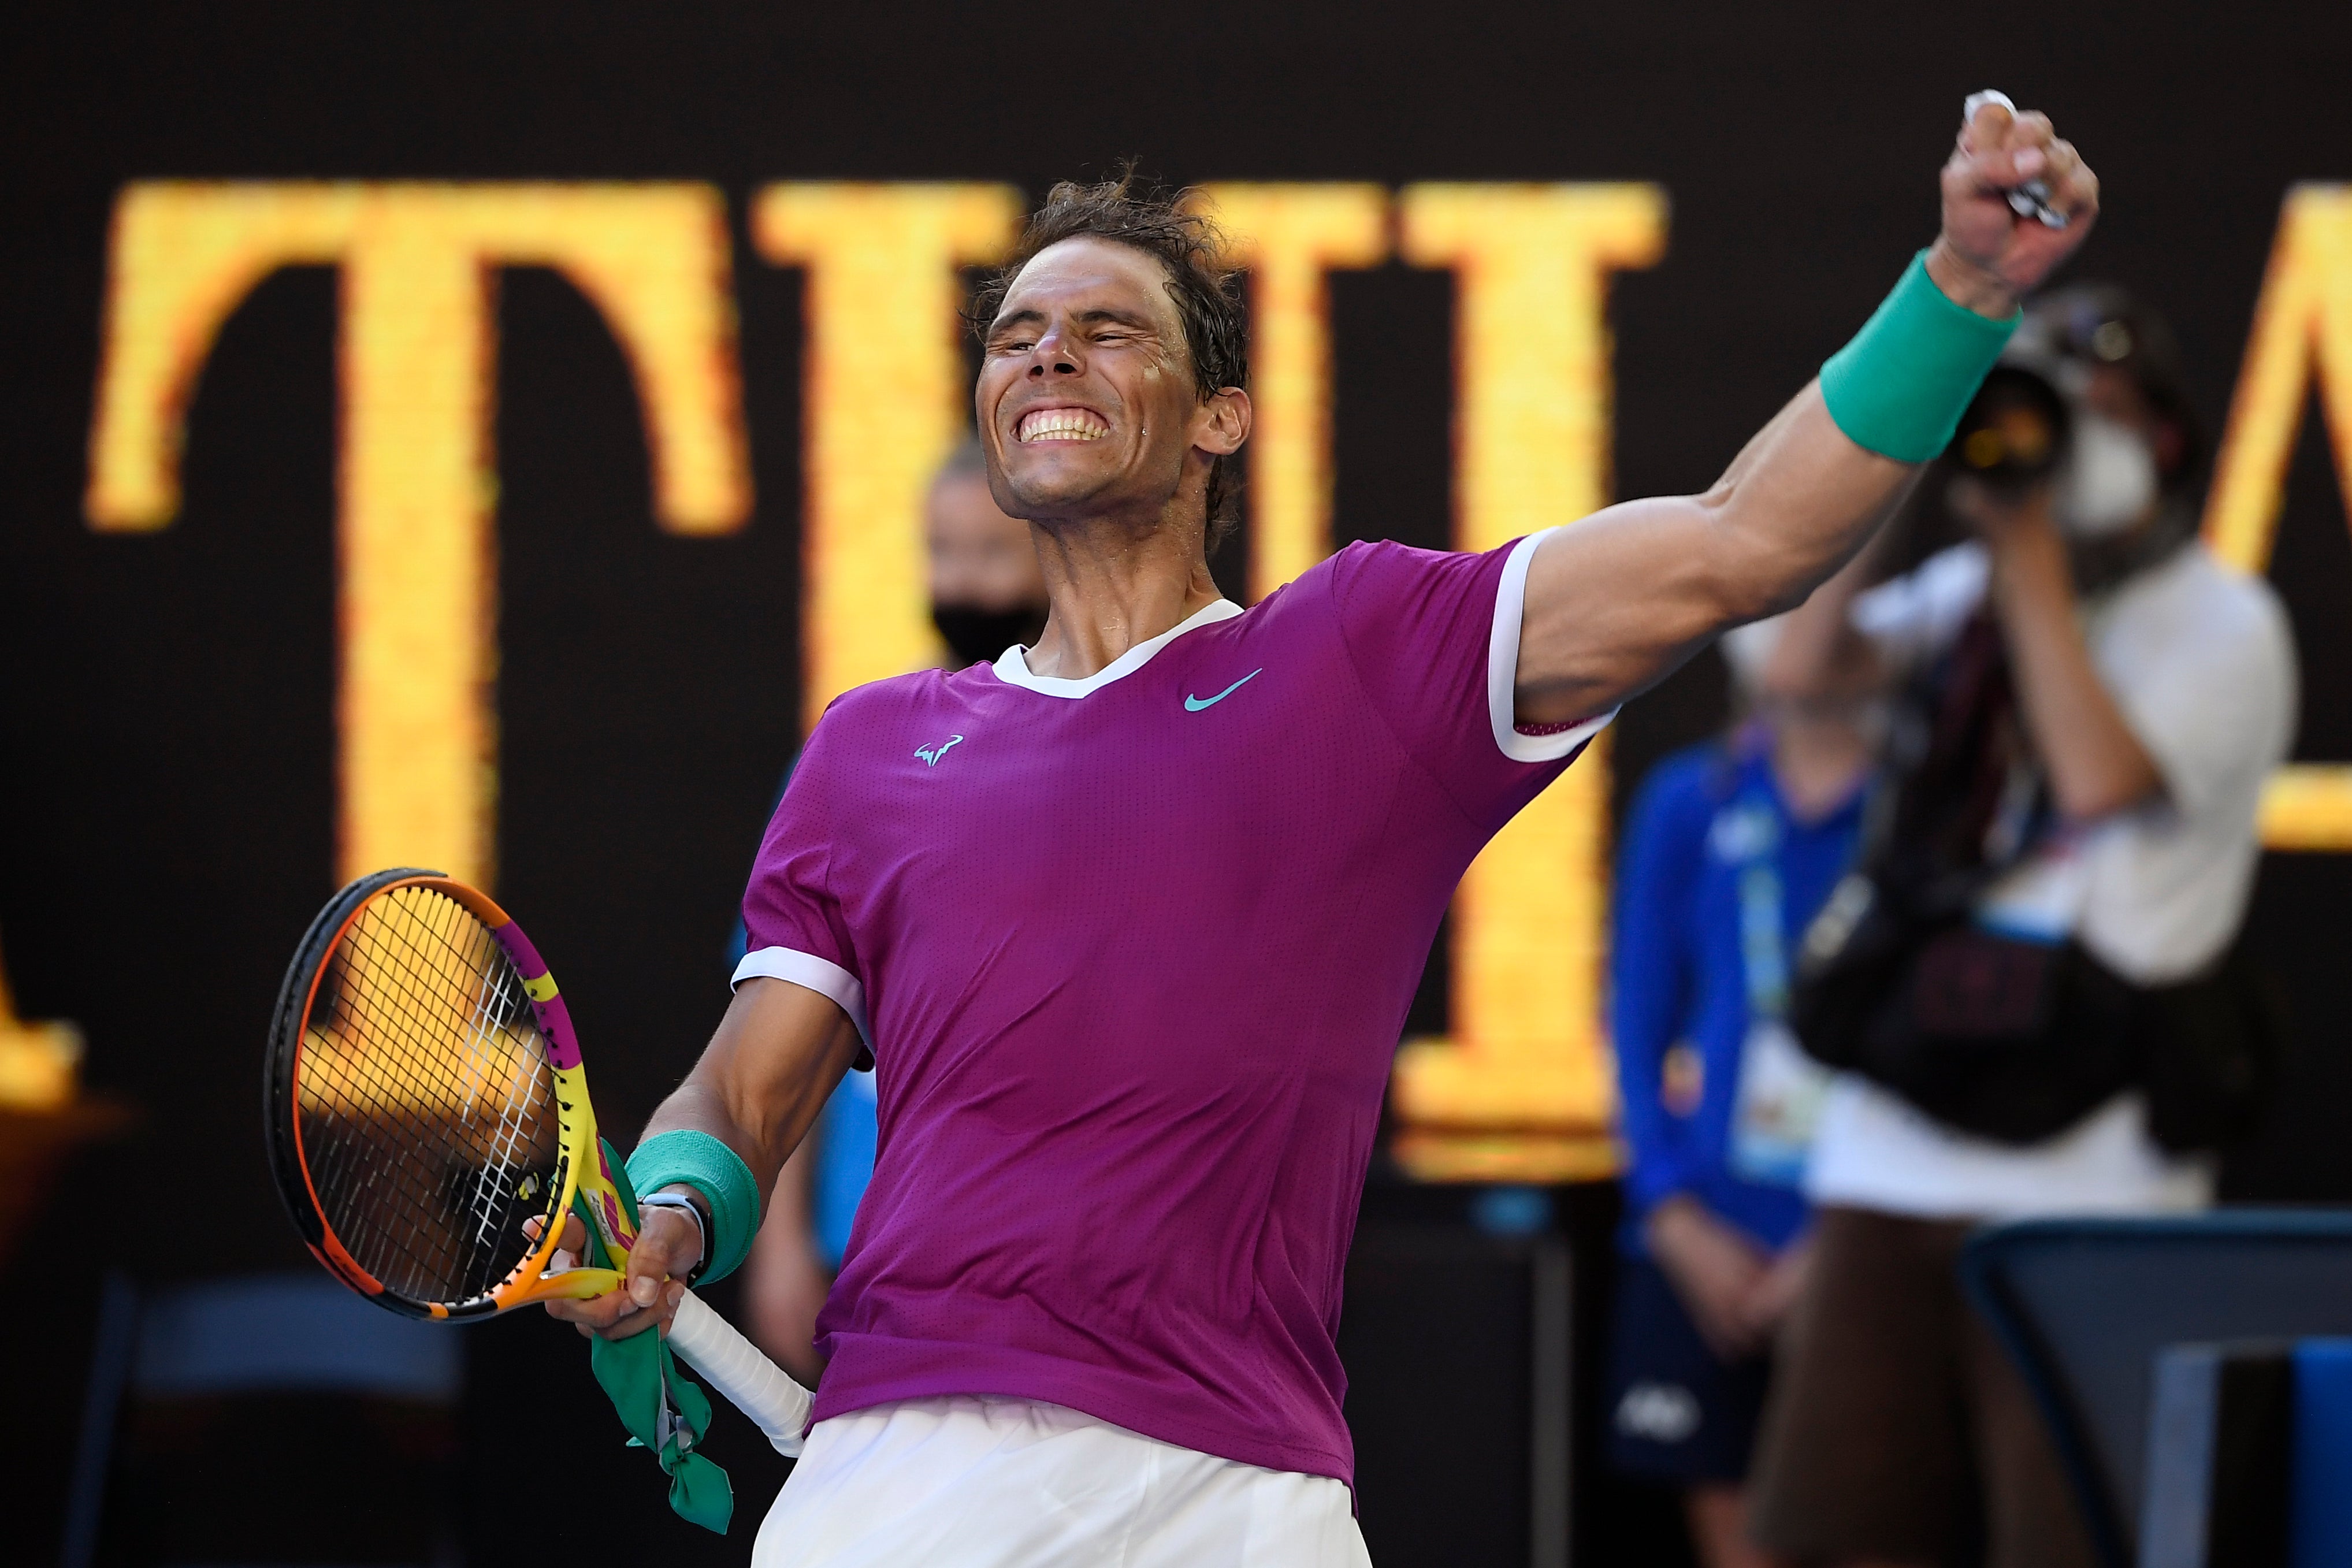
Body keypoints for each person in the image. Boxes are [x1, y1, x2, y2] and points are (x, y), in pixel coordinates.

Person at [545, 98, 2101, 1566]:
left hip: (1243, 1489)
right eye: (1017, 334)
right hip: (913, 1458)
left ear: (1220, 415)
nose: (1049, 355)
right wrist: (671, 1202)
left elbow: (1743, 545)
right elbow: (749, 1090)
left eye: (1106, 329)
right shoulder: (873, 749)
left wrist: (1962, 286)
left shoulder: (1362, 654)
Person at [1744, 286, 2298, 1568]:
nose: (2049, 444)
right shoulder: (1958, 589)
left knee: (2071, 1534)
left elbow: (2096, 776)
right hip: (1890, 1155)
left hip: (2088, 1174)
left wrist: (2030, 561)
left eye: (2089, 418)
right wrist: (1892, 476)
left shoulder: (2225, 620)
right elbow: (1794, 677)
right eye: (2029, 411)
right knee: (1832, 1535)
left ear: (2163, 441)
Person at [738, 438, 1050, 1383]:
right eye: (942, 552)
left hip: (1050, 1256)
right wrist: (778, 1243)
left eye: (992, 554)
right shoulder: (863, 750)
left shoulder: (1136, 747)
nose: (963, 581)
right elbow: (789, 1023)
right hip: (872, 1250)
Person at [1606, 597, 1882, 1568]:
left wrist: (1847, 1240)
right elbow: (1633, 1024)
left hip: (1862, 1235)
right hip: (1705, 1234)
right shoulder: (1695, 800)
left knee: (1882, 1523)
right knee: (1740, 1537)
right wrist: (1672, 1213)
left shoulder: (1915, 809)